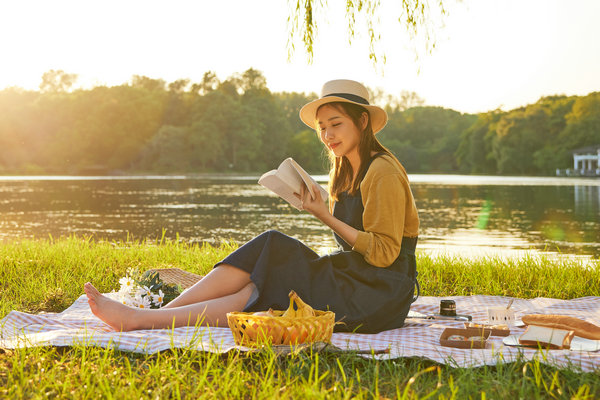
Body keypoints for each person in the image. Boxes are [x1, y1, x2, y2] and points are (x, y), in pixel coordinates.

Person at [84, 79, 420, 333]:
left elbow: (384, 254)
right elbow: (355, 244)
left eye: (336, 124)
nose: (328, 135)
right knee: (271, 251)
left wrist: (322, 215)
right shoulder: (345, 170)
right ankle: (154, 316)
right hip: (356, 278)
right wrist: (319, 207)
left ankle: (143, 320)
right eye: (322, 128)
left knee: (273, 271)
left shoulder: (382, 171)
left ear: (362, 122)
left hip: (379, 295)